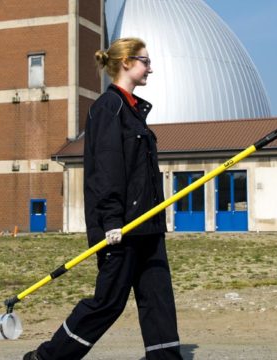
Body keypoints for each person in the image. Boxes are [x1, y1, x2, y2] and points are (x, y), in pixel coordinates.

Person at [24, 37, 183, 360]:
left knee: (158, 297)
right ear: (126, 63)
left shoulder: (134, 110)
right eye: (145, 61)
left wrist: (154, 218)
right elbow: (107, 169)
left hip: (147, 224)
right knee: (108, 302)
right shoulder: (109, 108)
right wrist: (111, 220)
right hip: (121, 228)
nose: (150, 68)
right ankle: (47, 358)